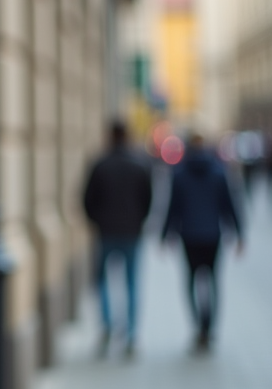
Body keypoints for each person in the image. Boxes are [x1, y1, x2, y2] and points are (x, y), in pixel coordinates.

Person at [161, 134, 243, 351]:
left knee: (190, 281)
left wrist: (164, 235)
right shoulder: (219, 172)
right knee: (213, 281)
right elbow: (229, 205)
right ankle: (209, 326)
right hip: (212, 235)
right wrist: (239, 234)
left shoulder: (179, 174)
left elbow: (172, 207)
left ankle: (198, 325)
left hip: (188, 235)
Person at [81, 120, 153, 356]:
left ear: (110, 137)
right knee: (131, 282)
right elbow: (148, 199)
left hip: (106, 232)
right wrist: (138, 220)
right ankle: (131, 335)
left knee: (102, 282)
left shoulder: (100, 165)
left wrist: (97, 220)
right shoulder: (139, 164)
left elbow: (87, 199)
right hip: (132, 232)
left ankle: (107, 327)